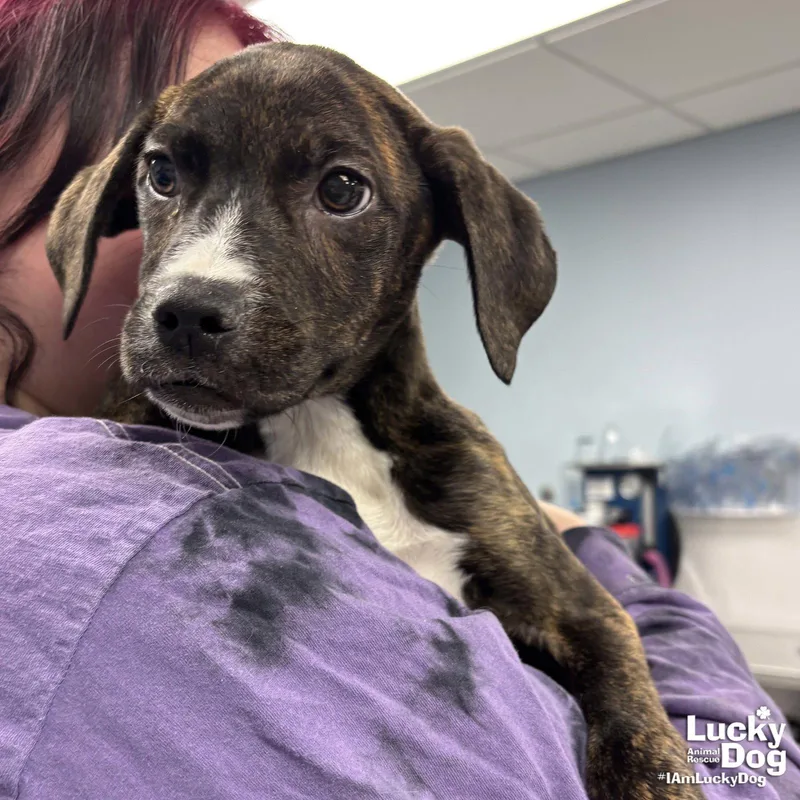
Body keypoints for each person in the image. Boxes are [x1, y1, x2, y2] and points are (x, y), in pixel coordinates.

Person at [1, 2, 798, 798]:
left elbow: (593, 632)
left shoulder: (454, 468)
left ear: (447, 228)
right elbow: (758, 772)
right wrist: (621, 571)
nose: (199, 277)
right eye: (167, 176)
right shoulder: (137, 490)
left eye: (340, 189)